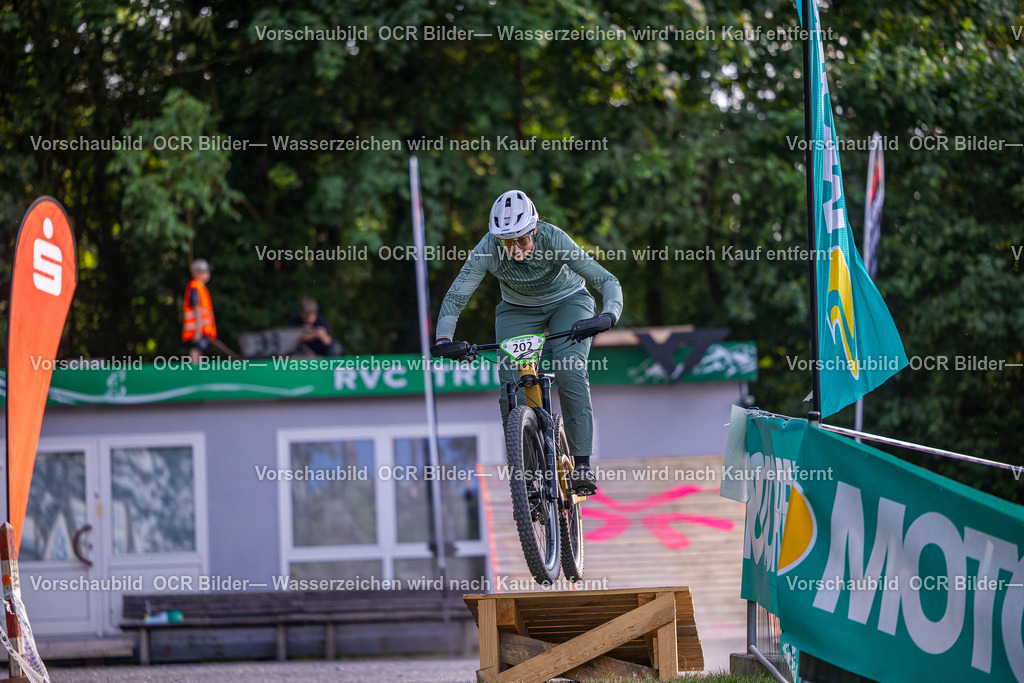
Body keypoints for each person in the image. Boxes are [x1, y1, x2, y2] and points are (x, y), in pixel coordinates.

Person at [431, 190, 623, 495]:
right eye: (509, 243)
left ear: (535, 230)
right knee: (510, 385)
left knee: (569, 370)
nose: (517, 250)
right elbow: (457, 296)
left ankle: (583, 465)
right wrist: (444, 338)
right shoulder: (487, 249)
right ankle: (527, 472)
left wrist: (608, 315)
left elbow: (606, 281)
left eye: (522, 240)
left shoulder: (553, 238)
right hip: (518, 310)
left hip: (568, 302)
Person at [182, 259, 217, 363]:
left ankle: (198, 372)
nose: (207, 274)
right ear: (195, 273)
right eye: (204, 271)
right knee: (196, 350)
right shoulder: (195, 287)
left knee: (200, 350)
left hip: (202, 330)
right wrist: (198, 331)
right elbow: (197, 309)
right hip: (197, 329)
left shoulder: (202, 288)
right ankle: (195, 372)